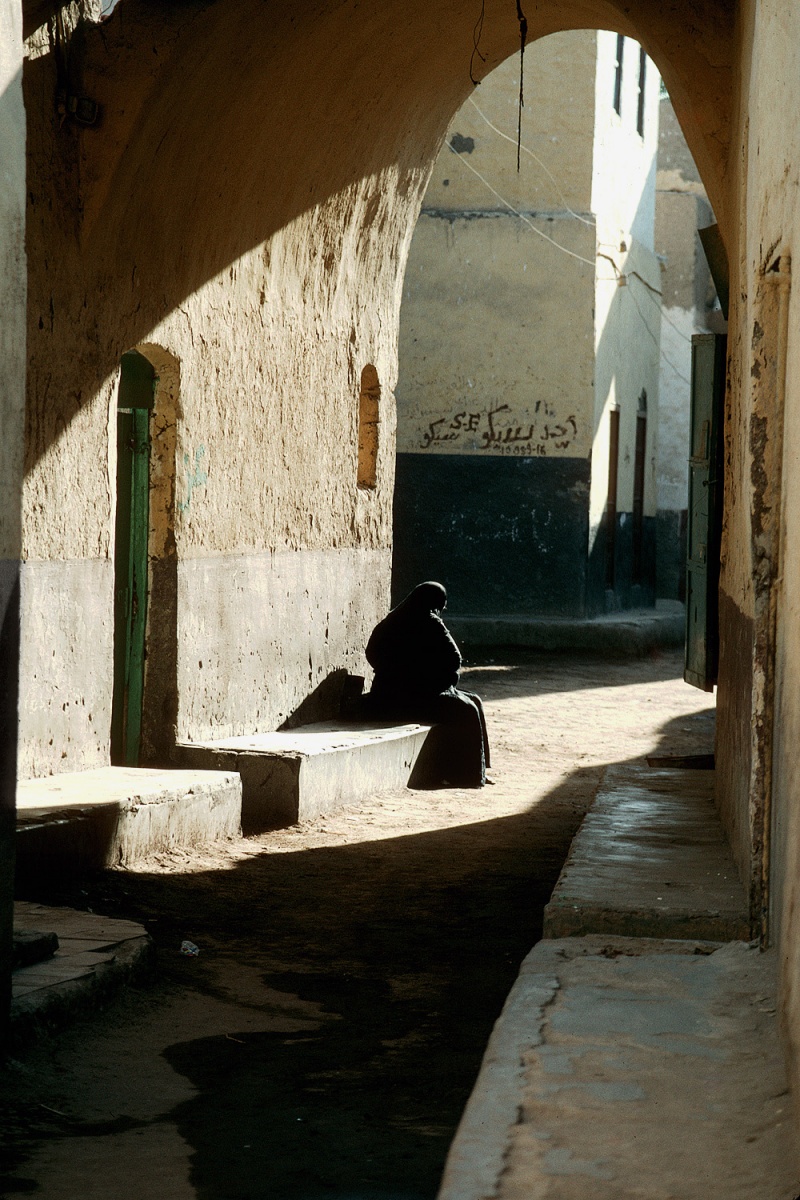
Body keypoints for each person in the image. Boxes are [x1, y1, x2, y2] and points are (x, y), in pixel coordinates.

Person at [364, 581, 490, 787]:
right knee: (468, 708)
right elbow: (454, 659)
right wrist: (431, 678)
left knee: (472, 700)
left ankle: (478, 770)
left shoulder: (390, 620)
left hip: (387, 695)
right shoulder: (430, 621)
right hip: (416, 699)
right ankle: (468, 775)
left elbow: (372, 654)